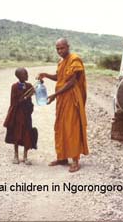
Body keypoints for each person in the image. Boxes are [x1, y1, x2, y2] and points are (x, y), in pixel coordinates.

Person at [37, 38, 89, 173]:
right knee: (60, 126)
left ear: (68, 46)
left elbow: (71, 82)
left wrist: (55, 95)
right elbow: (59, 77)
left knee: (71, 127)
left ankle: (75, 160)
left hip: (71, 98)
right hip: (62, 98)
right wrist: (45, 75)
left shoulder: (75, 60)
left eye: (62, 48)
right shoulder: (61, 62)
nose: (60, 51)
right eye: (58, 49)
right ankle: (62, 157)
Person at [3, 67, 36, 165]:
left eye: (27, 74)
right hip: (17, 114)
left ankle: (25, 157)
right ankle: (16, 155)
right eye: (25, 74)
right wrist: (25, 97)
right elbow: (14, 102)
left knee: (27, 134)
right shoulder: (14, 87)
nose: (27, 76)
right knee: (16, 135)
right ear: (19, 76)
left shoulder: (29, 85)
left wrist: (38, 86)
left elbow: (32, 96)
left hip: (26, 114)